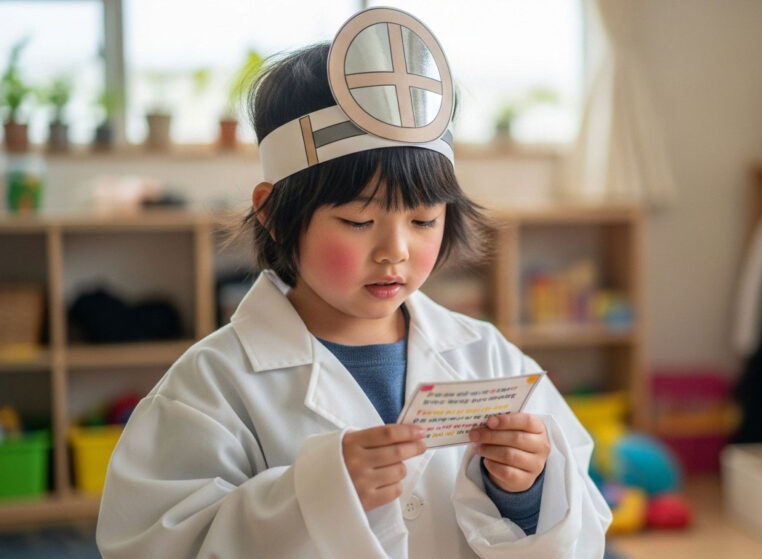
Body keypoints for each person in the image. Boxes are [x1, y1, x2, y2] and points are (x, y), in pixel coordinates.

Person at [96, 7, 611, 558]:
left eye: (423, 221)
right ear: (272, 214)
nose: (395, 251)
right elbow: (153, 543)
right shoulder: (211, 388)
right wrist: (311, 498)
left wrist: (527, 490)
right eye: (359, 222)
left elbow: (581, 522)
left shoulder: (487, 357)